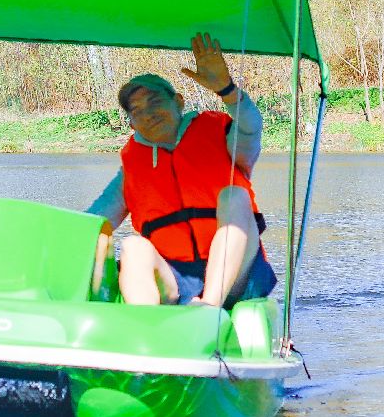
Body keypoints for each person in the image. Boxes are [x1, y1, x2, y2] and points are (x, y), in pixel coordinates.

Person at [87, 33, 277, 307]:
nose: (148, 113)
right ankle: (146, 330)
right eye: (136, 110)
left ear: (177, 101)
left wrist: (227, 90)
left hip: (237, 276)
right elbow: (93, 220)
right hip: (174, 280)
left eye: (154, 102)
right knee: (133, 247)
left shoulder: (224, 137)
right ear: (131, 123)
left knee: (234, 196)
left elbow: (251, 125)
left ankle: (209, 305)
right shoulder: (131, 169)